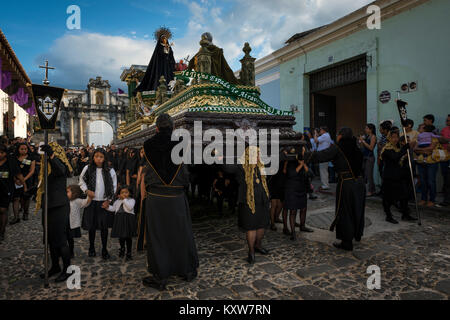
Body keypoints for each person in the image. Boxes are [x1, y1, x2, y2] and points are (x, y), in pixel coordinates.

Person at [141, 114, 199, 291]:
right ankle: (185, 270)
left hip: (156, 198)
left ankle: (161, 275)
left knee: (158, 236)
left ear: (157, 128)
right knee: (180, 233)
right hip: (176, 197)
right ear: (173, 128)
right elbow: (187, 172)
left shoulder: (147, 145)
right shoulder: (181, 144)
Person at [305, 127, 366, 251]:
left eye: (338, 134)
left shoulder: (339, 148)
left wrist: (303, 154)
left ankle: (347, 242)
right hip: (360, 183)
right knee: (358, 209)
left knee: (346, 211)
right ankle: (357, 234)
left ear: (341, 136)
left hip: (347, 183)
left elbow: (321, 155)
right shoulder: (357, 148)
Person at [222, 146, 271, 264]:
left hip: (262, 201)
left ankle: (258, 245)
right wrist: (221, 158)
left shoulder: (261, 166)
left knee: (262, 225)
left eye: (259, 154)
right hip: (248, 202)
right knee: (251, 227)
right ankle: (251, 251)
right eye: (256, 154)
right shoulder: (241, 166)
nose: (258, 156)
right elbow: (228, 168)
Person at [36, 142, 73, 282]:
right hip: (48, 206)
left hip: (59, 206)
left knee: (61, 240)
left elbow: (60, 170)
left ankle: (68, 269)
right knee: (50, 240)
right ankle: (55, 266)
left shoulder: (60, 165)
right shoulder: (46, 168)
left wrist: (51, 155)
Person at [79, 148, 117, 259]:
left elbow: (114, 186)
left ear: (104, 158)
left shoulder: (110, 170)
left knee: (104, 228)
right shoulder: (88, 168)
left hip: (103, 203)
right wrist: (86, 191)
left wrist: (109, 200)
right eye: (96, 156)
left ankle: (104, 249)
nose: (99, 159)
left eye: (101, 157)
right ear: (93, 157)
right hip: (92, 202)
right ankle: (91, 248)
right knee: (92, 227)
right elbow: (81, 180)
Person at [380, 129, 418, 224]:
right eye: (393, 137)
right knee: (388, 198)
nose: (395, 139)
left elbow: (401, 159)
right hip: (389, 177)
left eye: (396, 137)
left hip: (399, 176)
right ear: (389, 138)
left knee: (404, 196)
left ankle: (405, 214)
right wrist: (405, 148)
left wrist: (407, 154)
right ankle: (388, 216)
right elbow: (395, 157)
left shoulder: (399, 148)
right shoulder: (387, 149)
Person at [283, 151, 314, 241]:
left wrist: (304, 165)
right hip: (291, 189)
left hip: (302, 188)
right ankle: (293, 232)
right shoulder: (290, 162)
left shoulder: (303, 162)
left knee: (303, 208)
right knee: (293, 211)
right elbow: (291, 174)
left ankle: (302, 226)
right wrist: (301, 165)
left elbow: (311, 174)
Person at [134, 29, 175, 95]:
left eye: (166, 38)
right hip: (160, 65)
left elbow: (171, 55)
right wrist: (165, 49)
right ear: (161, 39)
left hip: (167, 65)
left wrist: (168, 49)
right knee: (161, 76)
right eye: (163, 38)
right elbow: (159, 55)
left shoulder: (168, 47)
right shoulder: (159, 47)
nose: (165, 40)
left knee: (168, 76)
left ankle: (169, 87)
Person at [104, 185, 137, 261]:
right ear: (119, 194)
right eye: (122, 193)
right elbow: (113, 209)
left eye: (126, 192)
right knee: (121, 237)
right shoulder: (117, 201)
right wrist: (107, 207)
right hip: (119, 219)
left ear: (130, 193)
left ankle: (129, 253)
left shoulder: (132, 200)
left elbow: (129, 207)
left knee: (128, 237)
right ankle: (122, 249)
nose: (124, 194)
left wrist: (124, 200)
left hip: (128, 220)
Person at [0, 144, 24, 243]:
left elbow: (18, 174)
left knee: (2, 210)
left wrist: (24, 185)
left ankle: (2, 232)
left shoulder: (10, 162)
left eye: (1, 152)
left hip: (6, 190)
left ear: (5, 153)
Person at [11, 143, 35, 223]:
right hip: (16, 179)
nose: (24, 150)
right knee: (16, 198)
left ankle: (25, 212)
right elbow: (12, 170)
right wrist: (16, 179)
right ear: (18, 149)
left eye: (25, 149)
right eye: (22, 149)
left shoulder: (31, 158)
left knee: (25, 197)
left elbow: (32, 171)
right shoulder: (14, 158)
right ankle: (16, 217)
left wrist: (23, 180)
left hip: (27, 179)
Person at [67, 185, 93, 258]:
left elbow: (85, 202)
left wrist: (90, 196)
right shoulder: (64, 200)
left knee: (70, 239)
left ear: (74, 193)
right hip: (64, 223)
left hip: (71, 223)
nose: (66, 193)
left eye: (68, 192)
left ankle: (71, 252)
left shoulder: (77, 201)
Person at [359, 124, 377, 197]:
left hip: (370, 157)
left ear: (371, 129)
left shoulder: (373, 137)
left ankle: (371, 190)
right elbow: (363, 147)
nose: (365, 129)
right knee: (365, 174)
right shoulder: (366, 136)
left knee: (369, 174)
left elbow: (371, 148)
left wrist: (363, 141)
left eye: (366, 128)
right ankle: (371, 189)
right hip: (364, 156)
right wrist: (361, 142)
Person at [268, 160, 286, 231]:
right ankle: (272, 223)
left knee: (280, 204)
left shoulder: (285, 158)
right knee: (274, 205)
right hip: (274, 183)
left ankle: (276, 218)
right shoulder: (275, 157)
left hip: (282, 183)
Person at [314, 126, 332, 191]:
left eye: (321, 130)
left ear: (324, 130)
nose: (320, 131)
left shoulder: (325, 135)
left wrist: (315, 134)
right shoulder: (326, 135)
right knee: (324, 170)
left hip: (323, 155)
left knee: (323, 170)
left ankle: (325, 185)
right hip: (324, 154)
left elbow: (316, 140)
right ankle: (325, 184)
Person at [440, 115, 450, 206]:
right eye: (446, 120)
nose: (447, 121)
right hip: (445, 157)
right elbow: (441, 140)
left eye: (448, 120)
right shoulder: (444, 129)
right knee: (446, 178)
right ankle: (446, 199)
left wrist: (446, 140)